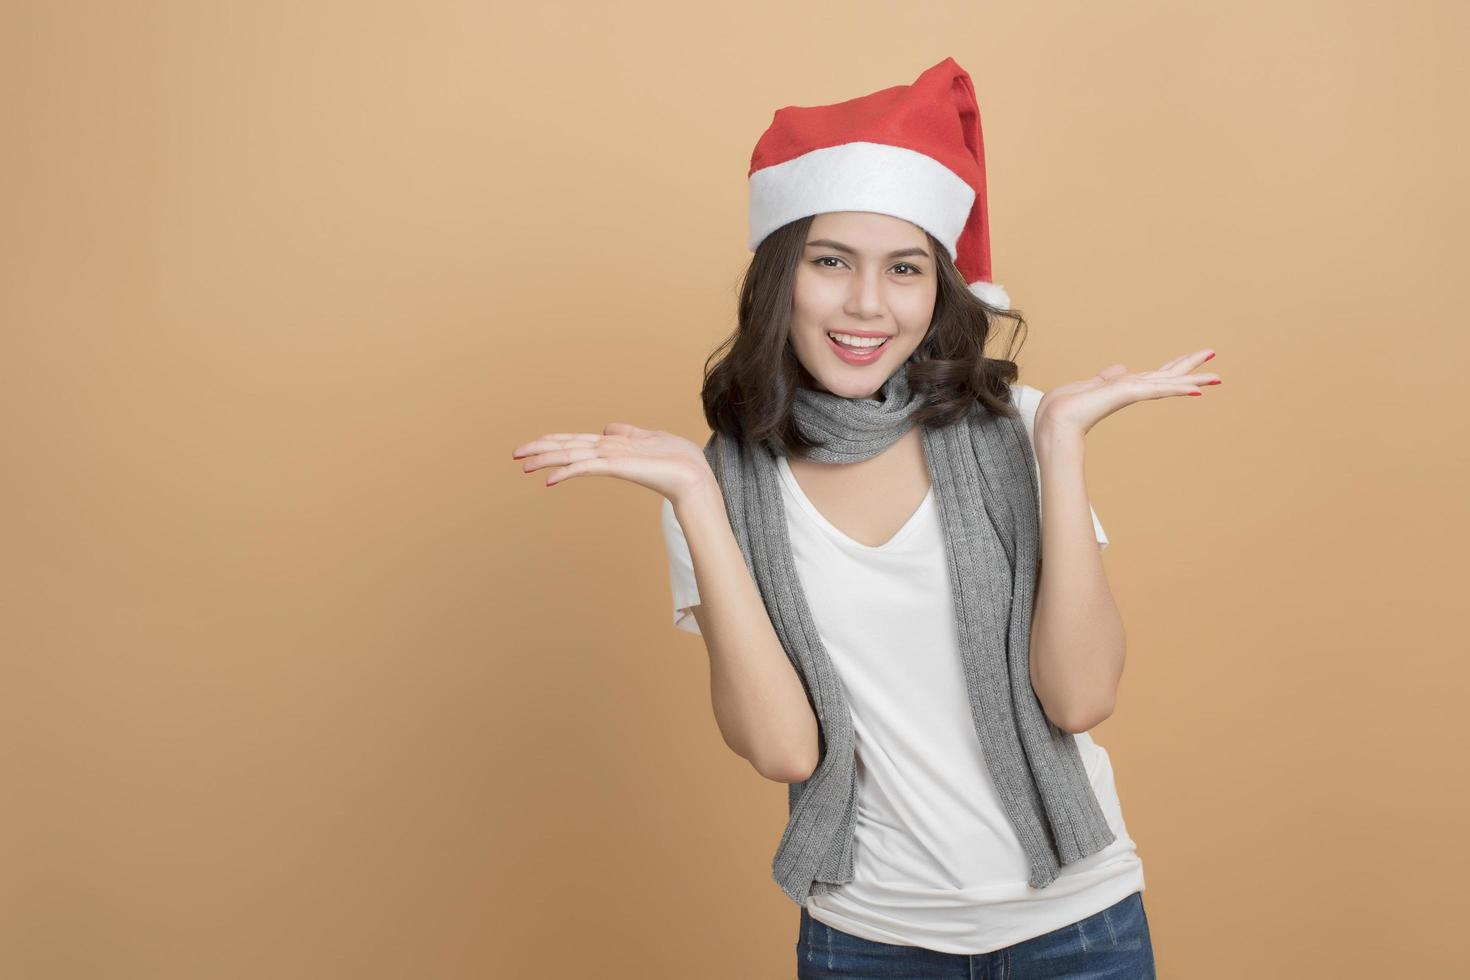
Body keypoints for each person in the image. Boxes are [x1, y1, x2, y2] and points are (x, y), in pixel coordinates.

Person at [512, 57, 1220, 979]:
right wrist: (693, 497)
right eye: (831, 261)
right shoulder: (718, 481)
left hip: (1079, 928)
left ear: (939, 291)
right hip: (867, 939)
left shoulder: (1020, 432)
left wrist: (1062, 446)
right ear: (781, 278)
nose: (866, 304)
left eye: (905, 269)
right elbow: (782, 748)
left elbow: (1080, 697)